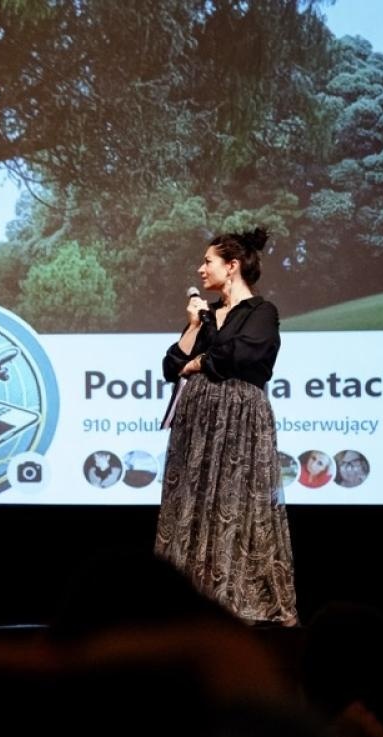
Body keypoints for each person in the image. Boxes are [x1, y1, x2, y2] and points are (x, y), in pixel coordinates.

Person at [155, 227, 297, 626]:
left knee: (237, 502)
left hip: (239, 421)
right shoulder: (204, 317)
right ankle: (188, 599)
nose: (201, 269)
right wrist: (195, 325)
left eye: (208, 261)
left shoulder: (261, 312)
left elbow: (243, 353)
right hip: (197, 423)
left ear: (232, 266)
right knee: (191, 504)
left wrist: (200, 363)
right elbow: (170, 365)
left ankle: (235, 601)